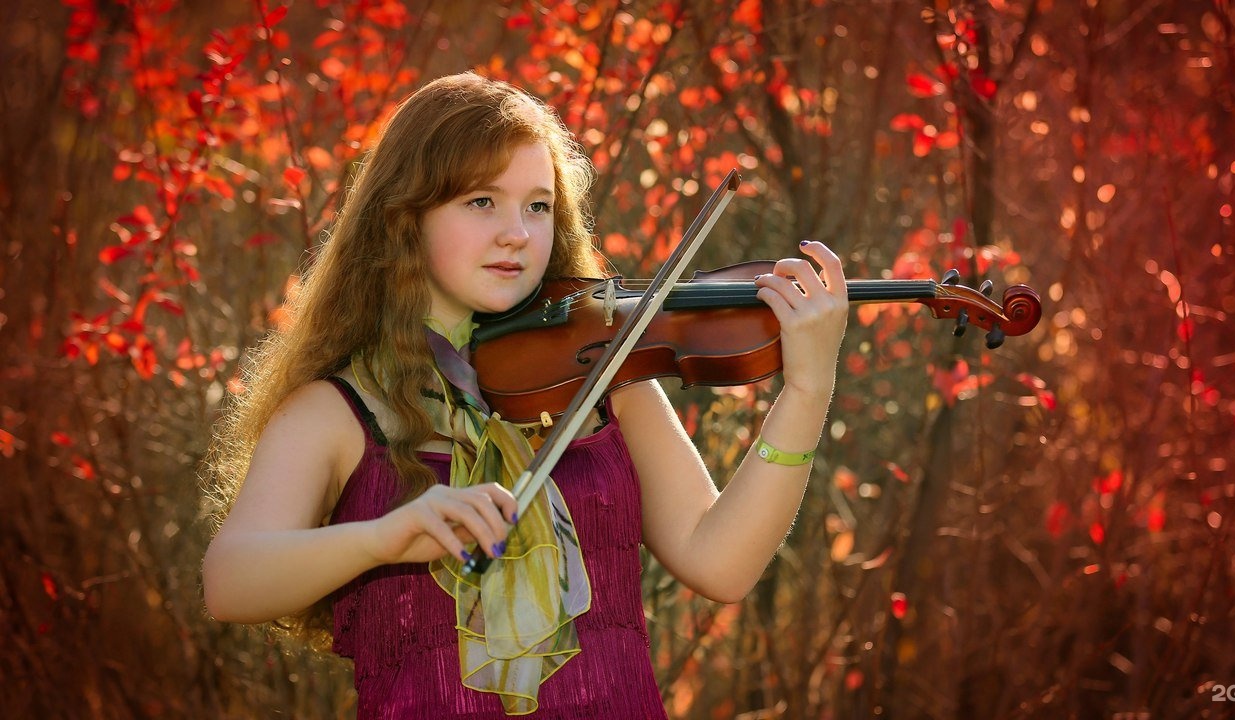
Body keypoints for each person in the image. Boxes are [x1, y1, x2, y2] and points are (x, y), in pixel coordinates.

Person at [202, 71, 848, 719]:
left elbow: (722, 564)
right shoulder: (337, 412)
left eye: (537, 205)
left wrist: (807, 389)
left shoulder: (605, 378)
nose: (517, 231)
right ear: (406, 217)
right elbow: (230, 583)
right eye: (482, 201)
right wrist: (384, 538)